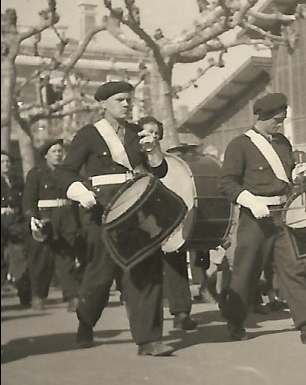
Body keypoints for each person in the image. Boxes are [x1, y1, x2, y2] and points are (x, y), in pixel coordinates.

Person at [55, 80, 175, 356]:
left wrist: (153, 150)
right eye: (120, 99)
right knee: (101, 273)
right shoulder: (88, 135)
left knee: (146, 268)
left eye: (128, 99)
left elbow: (160, 172)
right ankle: (86, 322)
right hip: (101, 211)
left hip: (137, 209)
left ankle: (149, 340)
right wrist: (80, 192)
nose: (126, 103)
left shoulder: (139, 134)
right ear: (103, 104)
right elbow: (65, 172)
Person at [218, 92, 306, 345]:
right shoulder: (240, 145)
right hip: (255, 217)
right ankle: (235, 320)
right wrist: (250, 200)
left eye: (282, 119)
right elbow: (227, 183)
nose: (280, 124)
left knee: (294, 268)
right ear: (262, 117)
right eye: (276, 120)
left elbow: (283, 177)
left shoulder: (282, 143)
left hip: (283, 216)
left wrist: (297, 174)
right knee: (246, 271)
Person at [138, 116, 198, 331]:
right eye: (146, 132)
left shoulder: (170, 162)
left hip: (167, 215)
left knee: (175, 261)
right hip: (140, 218)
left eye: (155, 133)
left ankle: (181, 312)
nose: (152, 137)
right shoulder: (132, 160)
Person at [22, 139, 82, 312]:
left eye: (60, 151)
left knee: (67, 260)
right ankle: (38, 296)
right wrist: (32, 218)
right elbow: (29, 200)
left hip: (66, 219)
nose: (58, 154)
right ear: (46, 155)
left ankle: (72, 296)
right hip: (45, 219)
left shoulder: (68, 173)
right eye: (54, 151)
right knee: (42, 260)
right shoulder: (36, 173)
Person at [1, 150, 31, 307]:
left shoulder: (17, 181)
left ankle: (25, 295)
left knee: (19, 256)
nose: (5, 165)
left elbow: (24, 200)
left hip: (15, 221)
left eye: (7, 162)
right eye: (2, 162)